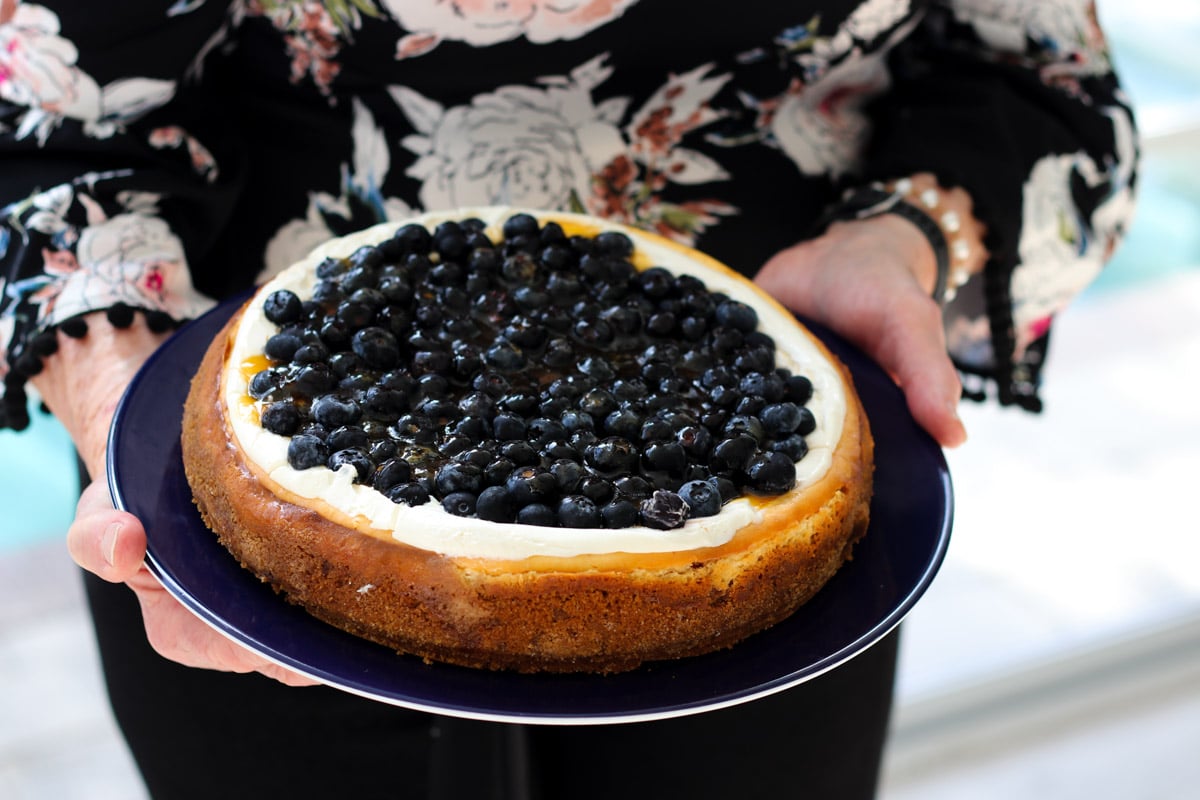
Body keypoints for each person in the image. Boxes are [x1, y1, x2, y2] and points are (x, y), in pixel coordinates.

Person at [1, 1, 1136, 798]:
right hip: (248, 553)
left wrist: (903, 236)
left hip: (764, 532)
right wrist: (118, 399)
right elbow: (39, 120)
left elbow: (1040, 73)